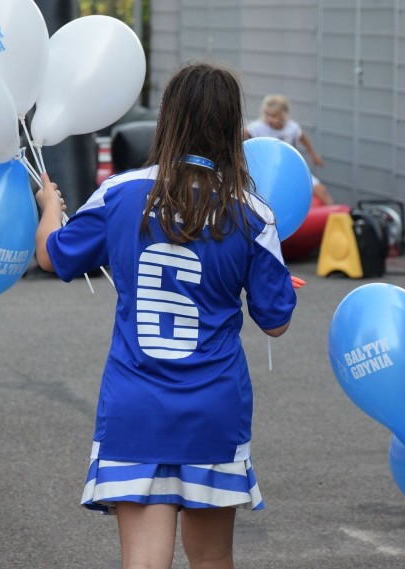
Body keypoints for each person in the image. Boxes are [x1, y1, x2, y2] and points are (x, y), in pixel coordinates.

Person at [34, 61, 297, 569]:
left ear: (168, 120)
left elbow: (53, 256)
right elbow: (276, 320)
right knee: (213, 561)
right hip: (214, 409)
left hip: (135, 405)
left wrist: (49, 206)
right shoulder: (252, 212)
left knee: (144, 563)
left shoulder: (122, 192)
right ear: (231, 128)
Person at [245, 94, 334, 205]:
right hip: (268, 172)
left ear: (284, 114)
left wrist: (314, 155)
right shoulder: (258, 127)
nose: (270, 119)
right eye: (267, 115)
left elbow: (303, 138)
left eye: (274, 116)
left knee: (322, 190)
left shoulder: (292, 127)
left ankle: (334, 217)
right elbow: (242, 135)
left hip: (289, 168)